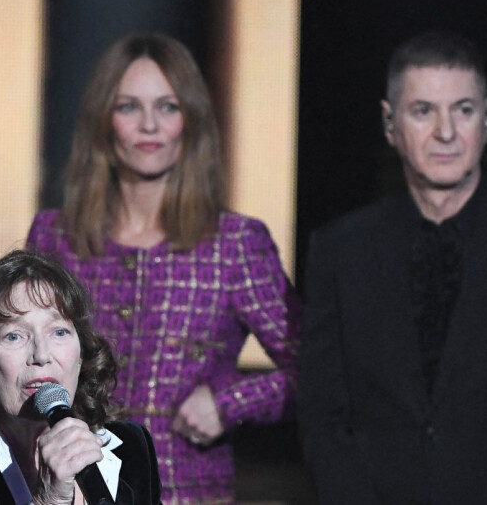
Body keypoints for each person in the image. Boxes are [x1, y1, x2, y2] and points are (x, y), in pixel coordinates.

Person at [26, 33, 301, 504]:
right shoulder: (56, 236)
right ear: (103, 121)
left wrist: (228, 402)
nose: (150, 124)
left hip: (188, 492)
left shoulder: (235, 244)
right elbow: (13, 366)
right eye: (129, 106)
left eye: (168, 107)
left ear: (190, 121)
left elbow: (319, 367)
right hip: (74, 492)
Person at [299, 30, 487, 505]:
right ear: (390, 124)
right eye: (423, 111)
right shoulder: (339, 250)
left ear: (486, 119)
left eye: (463, 110)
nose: (446, 132)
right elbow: (324, 414)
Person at [0, 249, 162, 505]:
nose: (41, 354)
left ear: (81, 353)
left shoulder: (131, 447)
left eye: (59, 332)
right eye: (14, 336)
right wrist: (47, 500)